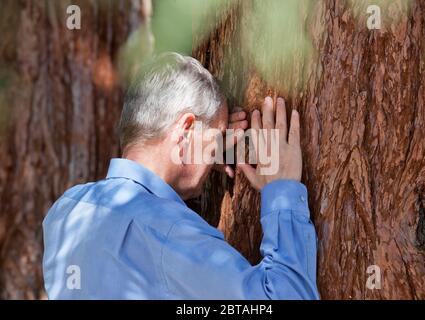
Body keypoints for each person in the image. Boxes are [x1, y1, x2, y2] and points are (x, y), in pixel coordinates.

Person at [42, 52, 319, 299]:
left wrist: (200, 152)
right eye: (219, 137)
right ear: (186, 129)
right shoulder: (169, 232)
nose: (216, 156)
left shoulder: (66, 210)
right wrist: (282, 191)